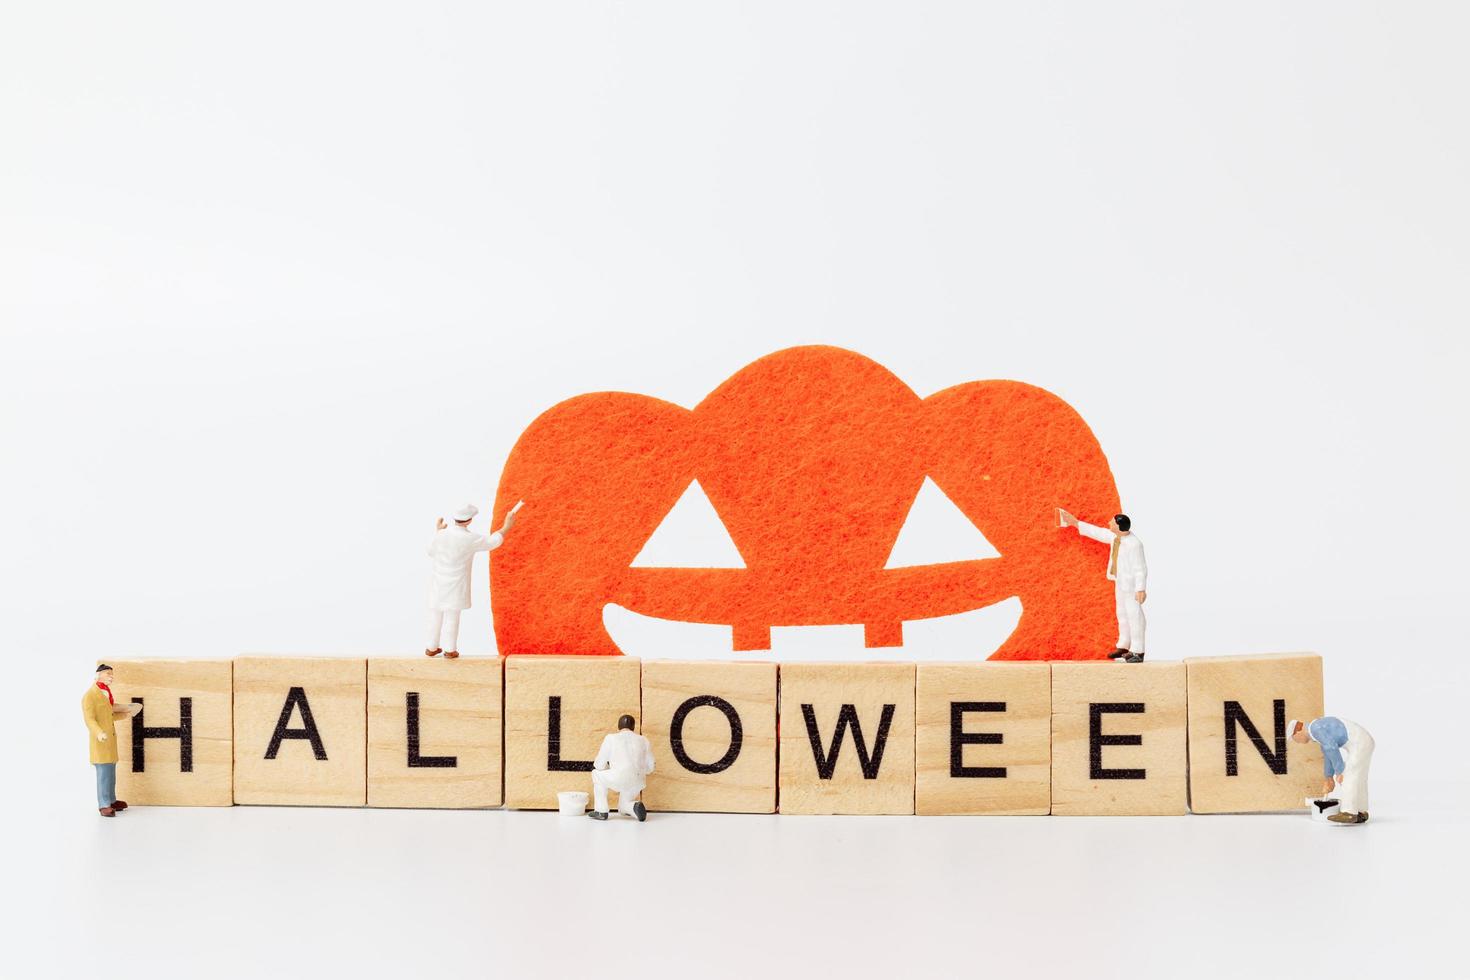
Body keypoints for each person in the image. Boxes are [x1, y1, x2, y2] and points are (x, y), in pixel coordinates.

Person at [425, 502, 518, 658]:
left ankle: (431, 647)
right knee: (452, 617)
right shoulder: (470, 539)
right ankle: (449, 649)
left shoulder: (441, 535)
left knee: (435, 615)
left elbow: (430, 551)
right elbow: (492, 542)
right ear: (469, 521)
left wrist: (438, 531)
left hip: (438, 583)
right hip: (456, 585)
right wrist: (506, 526)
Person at [1057, 509, 1148, 662]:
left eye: (1112, 522)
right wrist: (1075, 523)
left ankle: (1138, 650)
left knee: (1134, 615)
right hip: (1120, 582)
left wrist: (1140, 588)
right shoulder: (1115, 537)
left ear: (1119, 526)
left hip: (1131, 587)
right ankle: (1124, 645)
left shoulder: (1134, 544)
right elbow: (1098, 533)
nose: (1109, 524)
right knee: (1122, 614)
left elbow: (1141, 568)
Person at [1290, 716, 1374, 825]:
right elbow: (1328, 754)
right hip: (1364, 742)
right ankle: (1361, 811)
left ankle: (1349, 812)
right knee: (1359, 778)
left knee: (1348, 776)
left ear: (1298, 731)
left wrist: (1339, 771)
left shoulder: (1315, 729)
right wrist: (1328, 777)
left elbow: (1331, 747)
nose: (1297, 742)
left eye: (1293, 738)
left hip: (1360, 743)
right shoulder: (1318, 731)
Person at [83, 664, 141, 817]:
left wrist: (126, 713)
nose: (111, 677)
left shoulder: (106, 693)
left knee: (111, 774)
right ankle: (103, 804)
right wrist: (99, 732)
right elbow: (90, 720)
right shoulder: (90, 696)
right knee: (103, 774)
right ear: (99, 675)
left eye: (112, 674)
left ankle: (111, 800)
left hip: (110, 741)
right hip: (100, 741)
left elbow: (108, 715)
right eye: (108, 673)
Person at [588, 714, 655, 822]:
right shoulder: (644, 740)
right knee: (623, 807)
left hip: (619, 777)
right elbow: (651, 767)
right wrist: (639, 771)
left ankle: (601, 810)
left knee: (596, 774)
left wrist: (607, 769)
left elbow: (599, 764)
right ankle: (634, 806)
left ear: (619, 726)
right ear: (633, 727)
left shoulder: (611, 738)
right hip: (638, 781)